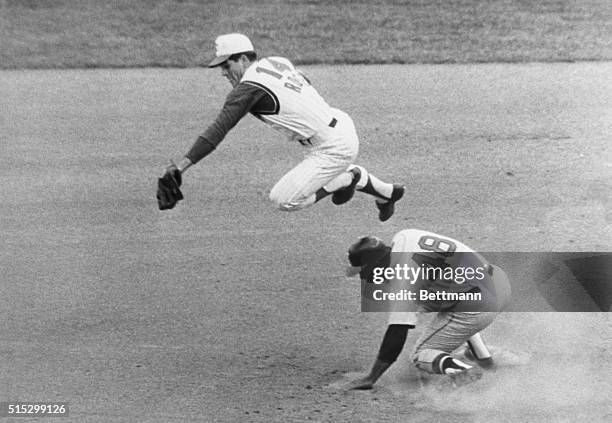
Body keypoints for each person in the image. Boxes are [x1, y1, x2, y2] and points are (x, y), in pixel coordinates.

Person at [160, 33, 404, 221]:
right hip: (340, 124)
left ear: (244, 59)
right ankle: (387, 193)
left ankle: (349, 178)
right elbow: (304, 82)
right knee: (322, 168)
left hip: (332, 147)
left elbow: (219, 129)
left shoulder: (247, 88)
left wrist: (182, 167)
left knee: (284, 199)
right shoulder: (277, 62)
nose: (223, 73)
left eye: (227, 65)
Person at [343, 229, 511, 389]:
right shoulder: (404, 236)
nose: (365, 278)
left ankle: (463, 371)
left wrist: (371, 378)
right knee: (444, 300)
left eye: (365, 272)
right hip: (498, 282)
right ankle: (484, 359)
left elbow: (396, 333)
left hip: (479, 304)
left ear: (376, 264)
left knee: (421, 354)